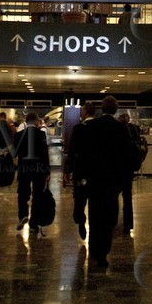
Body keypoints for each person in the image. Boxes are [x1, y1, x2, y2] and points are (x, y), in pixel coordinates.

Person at [71, 96, 132, 270]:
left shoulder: (91, 127)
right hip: (111, 181)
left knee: (95, 214)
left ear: (101, 109)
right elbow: (126, 156)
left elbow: (84, 154)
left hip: (94, 180)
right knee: (109, 216)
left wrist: (81, 177)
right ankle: (104, 252)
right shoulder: (121, 129)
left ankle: (95, 250)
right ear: (115, 109)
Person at [13, 112, 51, 236]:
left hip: (24, 168)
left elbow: (14, 153)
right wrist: (47, 171)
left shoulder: (18, 135)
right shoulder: (41, 134)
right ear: (36, 121)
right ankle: (33, 224)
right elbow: (45, 155)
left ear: (26, 120)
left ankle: (22, 215)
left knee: (23, 193)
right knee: (37, 196)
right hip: (39, 170)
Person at [64, 100, 96, 240]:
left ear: (85, 112)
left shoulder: (78, 128)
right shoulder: (99, 127)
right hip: (95, 170)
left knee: (80, 199)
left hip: (81, 169)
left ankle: (81, 220)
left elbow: (72, 151)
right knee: (95, 200)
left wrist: (68, 170)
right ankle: (94, 227)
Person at [115, 112, 141, 236]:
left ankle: (113, 222)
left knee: (114, 196)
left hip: (117, 169)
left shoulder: (117, 134)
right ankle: (128, 224)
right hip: (128, 169)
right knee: (127, 197)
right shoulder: (133, 132)